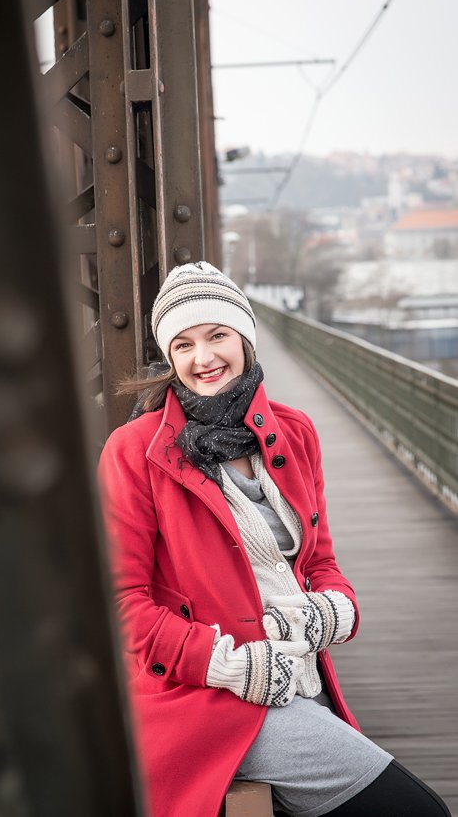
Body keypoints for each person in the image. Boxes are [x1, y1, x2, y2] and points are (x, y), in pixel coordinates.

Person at [98, 262, 450, 817]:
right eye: (183, 344)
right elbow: (121, 604)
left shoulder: (295, 432)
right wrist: (230, 664)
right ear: (170, 357)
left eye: (217, 335)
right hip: (206, 697)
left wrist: (332, 612)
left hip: (298, 674)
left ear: (245, 338)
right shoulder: (134, 450)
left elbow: (322, 562)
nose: (203, 357)